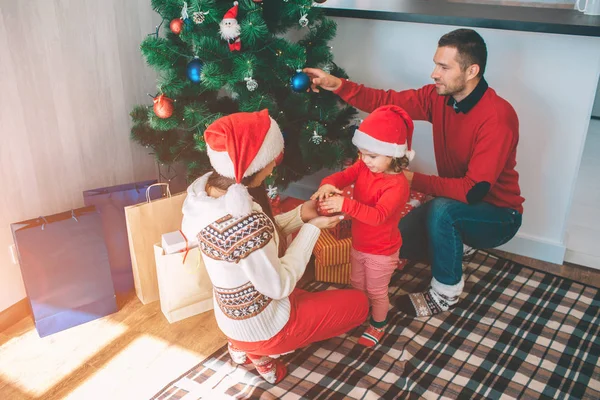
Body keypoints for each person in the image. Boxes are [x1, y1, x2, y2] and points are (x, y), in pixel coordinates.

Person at [304, 28, 524, 318]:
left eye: (444, 67)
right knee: (397, 239)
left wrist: (409, 179)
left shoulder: (497, 118)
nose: (434, 74)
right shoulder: (439, 98)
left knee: (443, 212)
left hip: (499, 215)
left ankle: (446, 292)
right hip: (462, 204)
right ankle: (458, 244)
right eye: (436, 64)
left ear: (472, 71)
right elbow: (386, 101)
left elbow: (473, 191)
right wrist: (338, 85)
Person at [181, 109, 369, 384]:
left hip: (231, 320)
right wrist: (312, 229)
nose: (275, 166)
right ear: (257, 164)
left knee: (304, 296)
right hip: (264, 328)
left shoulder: (209, 194)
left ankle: (240, 345)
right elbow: (279, 286)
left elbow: (257, 242)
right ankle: (260, 353)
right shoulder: (245, 220)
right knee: (359, 304)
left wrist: (300, 215)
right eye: (273, 160)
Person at [312, 105, 413, 347]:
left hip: (382, 250)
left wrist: (345, 204)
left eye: (372, 156)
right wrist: (328, 183)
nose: (365, 161)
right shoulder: (365, 165)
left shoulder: (397, 185)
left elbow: (378, 216)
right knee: (357, 284)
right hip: (360, 244)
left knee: (377, 291)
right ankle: (362, 311)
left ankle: (379, 325)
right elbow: (344, 176)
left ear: (393, 154)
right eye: (362, 154)